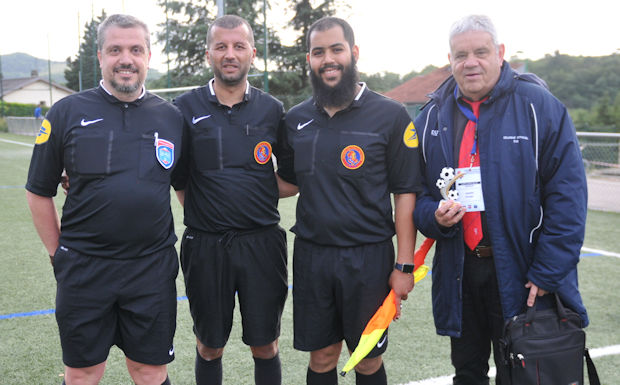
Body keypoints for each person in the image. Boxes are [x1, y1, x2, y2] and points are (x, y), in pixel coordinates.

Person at [412, 14, 588, 385]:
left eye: (480, 52)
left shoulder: (538, 106)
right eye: (461, 55)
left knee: (521, 373)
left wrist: (547, 271)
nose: (470, 62)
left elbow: (568, 196)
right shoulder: (431, 116)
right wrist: (435, 217)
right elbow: (420, 196)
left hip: (524, 272)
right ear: (450, 59)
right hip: (461, 269)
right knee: (467, 372)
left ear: (500, 53)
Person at [25, 14, 182, 385]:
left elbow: (182, 183)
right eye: (115, 50)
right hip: (84, 269)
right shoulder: (67, 112)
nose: (125, 58)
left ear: (147, 55)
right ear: (100, 56)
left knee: (148, 371)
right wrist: (57, 254)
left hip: (151, 268)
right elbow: (38, 190)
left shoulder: (171, 117)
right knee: (82, 373)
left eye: (135, 50)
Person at [276, 16, 422, 385]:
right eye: (318, 52)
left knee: (367, 359)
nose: (328, 59)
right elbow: (287, 183)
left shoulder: (390, 115)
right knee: (322, 357)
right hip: (312, 255)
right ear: (308, 59)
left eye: (336, 49)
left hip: (368, 258)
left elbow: (405, 192)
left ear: (353, 53)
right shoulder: (295, 120)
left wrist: (404, 265)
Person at [171, 15, 289, 385]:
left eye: (238, 46)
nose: (230, 54)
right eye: (221, 46)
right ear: (208, 53)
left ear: (252, 53)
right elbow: (179, 179)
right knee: (209, 345)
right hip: (205, 245)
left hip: (262, 244)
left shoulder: (273, 109)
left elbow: (290, 178)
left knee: (265, 344)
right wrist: (211, 212)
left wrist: (250, 196)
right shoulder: (183, 109)